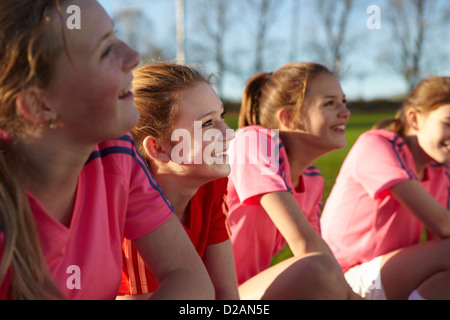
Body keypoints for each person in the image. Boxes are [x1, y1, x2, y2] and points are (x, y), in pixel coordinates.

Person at [0, 0, 214, 300]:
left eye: (115, 37)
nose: (133, 56)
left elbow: (191, 280)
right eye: (104, 50)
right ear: (40, 105)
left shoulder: (116, 152)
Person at [226, 62, 359, 299]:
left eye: (344, 101)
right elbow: (305, 246)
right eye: (329, 103)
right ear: (288, 118)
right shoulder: (252, 141)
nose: (345, 112)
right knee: (318, 271)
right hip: (204, 296)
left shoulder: (312, 180)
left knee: (320, 270)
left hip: (243, 293)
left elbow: (316, 250)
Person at [321, 76, 450, 300]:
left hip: (385, 274)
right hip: (339, 279)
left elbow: (440, 240)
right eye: (448, 123)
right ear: (414, 119)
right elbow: (442, 223)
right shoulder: (376, 144)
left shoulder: (441, 170)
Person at [119, 62, 239, 300]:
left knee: (316, 269)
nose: (228, 133)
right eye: (207, 124)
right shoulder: (132, 210)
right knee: (196, 292)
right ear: (159, 148)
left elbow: (226, 294)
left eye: (221, 116)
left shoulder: (212, 188)